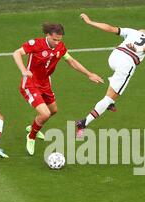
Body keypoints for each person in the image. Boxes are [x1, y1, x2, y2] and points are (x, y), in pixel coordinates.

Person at [13, 22, 104, 155]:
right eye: (54, 39)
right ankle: (31, 136)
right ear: (48, 35)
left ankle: (33, 126)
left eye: (59, 40)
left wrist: (89, 74)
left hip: (45, 83)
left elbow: (71, 61)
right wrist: (23, 70)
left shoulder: (60, 47)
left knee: (53, 110)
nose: (57, 42)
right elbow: (16, 53)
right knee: (45, 114)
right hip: (30, 83)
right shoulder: (36, 44)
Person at [75, 13, 145, 137]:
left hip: (114, 57)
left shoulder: (132, 32)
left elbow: (110, 28)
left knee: (116, 85)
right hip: (127, 63)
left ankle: (111, 103)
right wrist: (139, 50)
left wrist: (90, 22)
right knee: (109, 97)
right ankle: (83, 123)